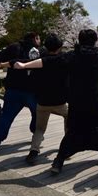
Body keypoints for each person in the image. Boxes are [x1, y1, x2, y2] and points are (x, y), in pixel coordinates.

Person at [14, 29, 98, 174]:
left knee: (72, 131)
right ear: (94, 41)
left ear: (79, 40)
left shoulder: (71, 56)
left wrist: (25, 66)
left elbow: (48, 61)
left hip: (76, 102)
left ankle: (58, 161)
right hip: (93, 101)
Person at [0, 32, 41, 155]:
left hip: (14, 89)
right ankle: (35, 135)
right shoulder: (39, 51)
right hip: (32, 91)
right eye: (38, 38)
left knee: (6, 118)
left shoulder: (14, 47)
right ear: (35, 38)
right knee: (37, 115)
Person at [25, 33, 69, 165]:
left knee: (40, 129)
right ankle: (66, 148)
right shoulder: (64, 61)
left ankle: (34, 151)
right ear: (60, 47)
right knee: (69, 118)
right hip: (60, 101)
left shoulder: (40, 62)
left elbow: (32, 80)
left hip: (43, 101)